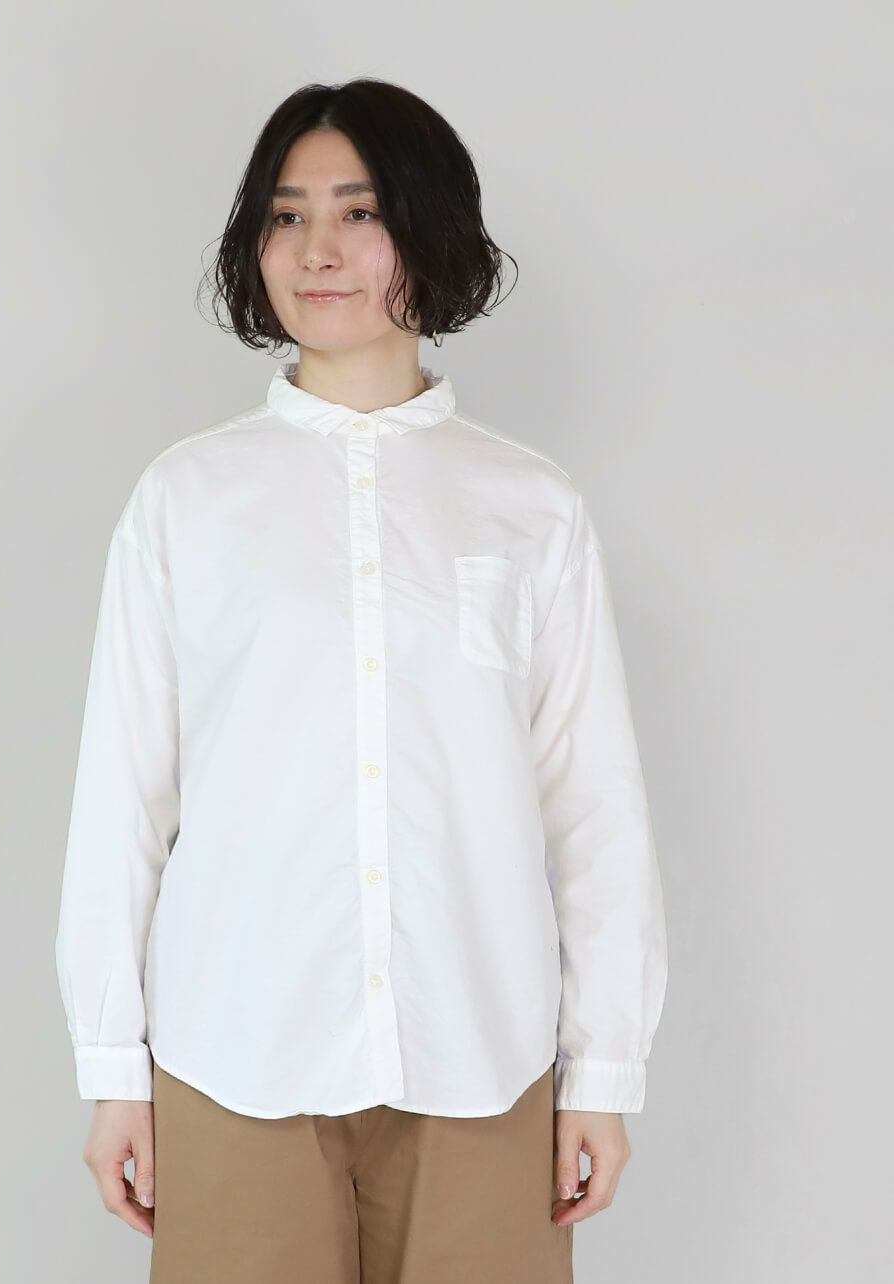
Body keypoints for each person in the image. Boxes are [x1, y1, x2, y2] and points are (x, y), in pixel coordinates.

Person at [54, 76, 668, 1283]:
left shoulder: (528, 507)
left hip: (482, 1054)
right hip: (236, 1052)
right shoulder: (187, 500)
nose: (316, 250)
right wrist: (112, 1067)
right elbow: (121, 797)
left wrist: (601, 1071)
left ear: (427, 232)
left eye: (359, 211)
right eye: (285, 217)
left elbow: (591, 805)